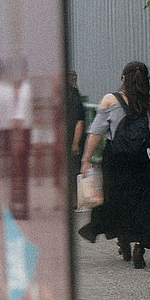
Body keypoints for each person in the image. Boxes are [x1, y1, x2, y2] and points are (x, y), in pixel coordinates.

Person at [78, 61, 150, 269]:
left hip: (116, 158)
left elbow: (96, 132)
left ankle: (123, 238)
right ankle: (140, 246)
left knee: (117, 199)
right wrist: (149, 149)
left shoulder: (110, 100)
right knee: (143, 202)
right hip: (142, 159)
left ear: (123, 79)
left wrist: (86, 159)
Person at [65, 70, 87, 209]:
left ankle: (74, 200)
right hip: (67, 139)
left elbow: (79, 122)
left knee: (73, 171)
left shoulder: (73, 99)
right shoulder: (70, 97)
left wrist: (75, 143)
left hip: (72, 140)